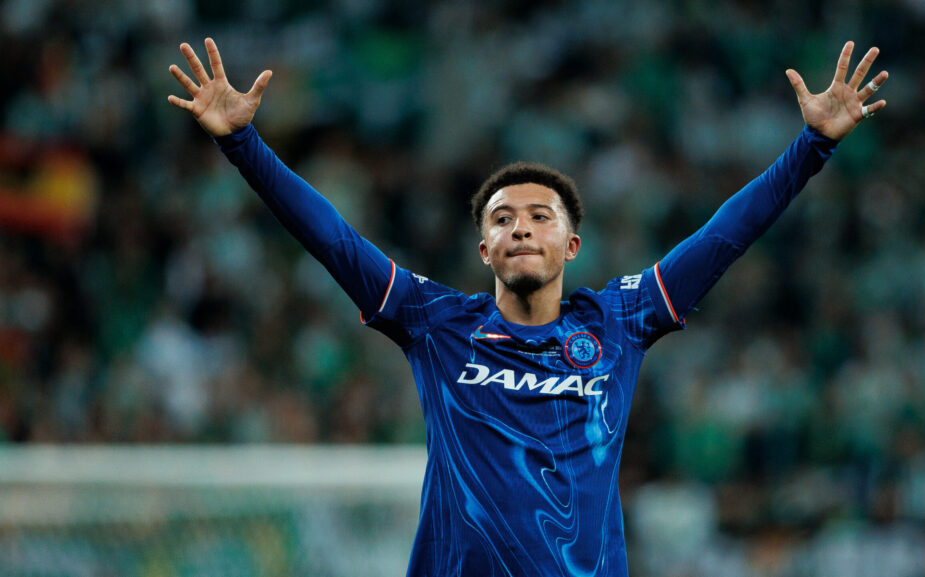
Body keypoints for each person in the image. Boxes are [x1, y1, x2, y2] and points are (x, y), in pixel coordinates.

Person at [168, 37, 887, 576]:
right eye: (503, 219)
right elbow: (333, 239)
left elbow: (722, 238)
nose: (520, 228)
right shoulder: (435, 322)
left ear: (571, 245)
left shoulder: (618, 321)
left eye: (540, 217)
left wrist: (811, 148)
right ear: (483, 249)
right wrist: (242, 144)